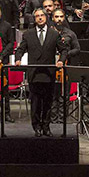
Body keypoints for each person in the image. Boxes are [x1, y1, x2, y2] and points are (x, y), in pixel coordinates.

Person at [23, 8, 60, 136]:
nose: (40, 18)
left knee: (48, 102)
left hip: (49, 74)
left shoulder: (54, 34)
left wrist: (61, 60)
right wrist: (17, 59)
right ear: (34, 19)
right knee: (36, 102)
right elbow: (21, 49)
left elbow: (64, 49)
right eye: (37, 16)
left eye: (42, 15)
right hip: (34, 74)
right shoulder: (28, 34)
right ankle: (36, 126)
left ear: (46, 17)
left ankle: (46, 126)